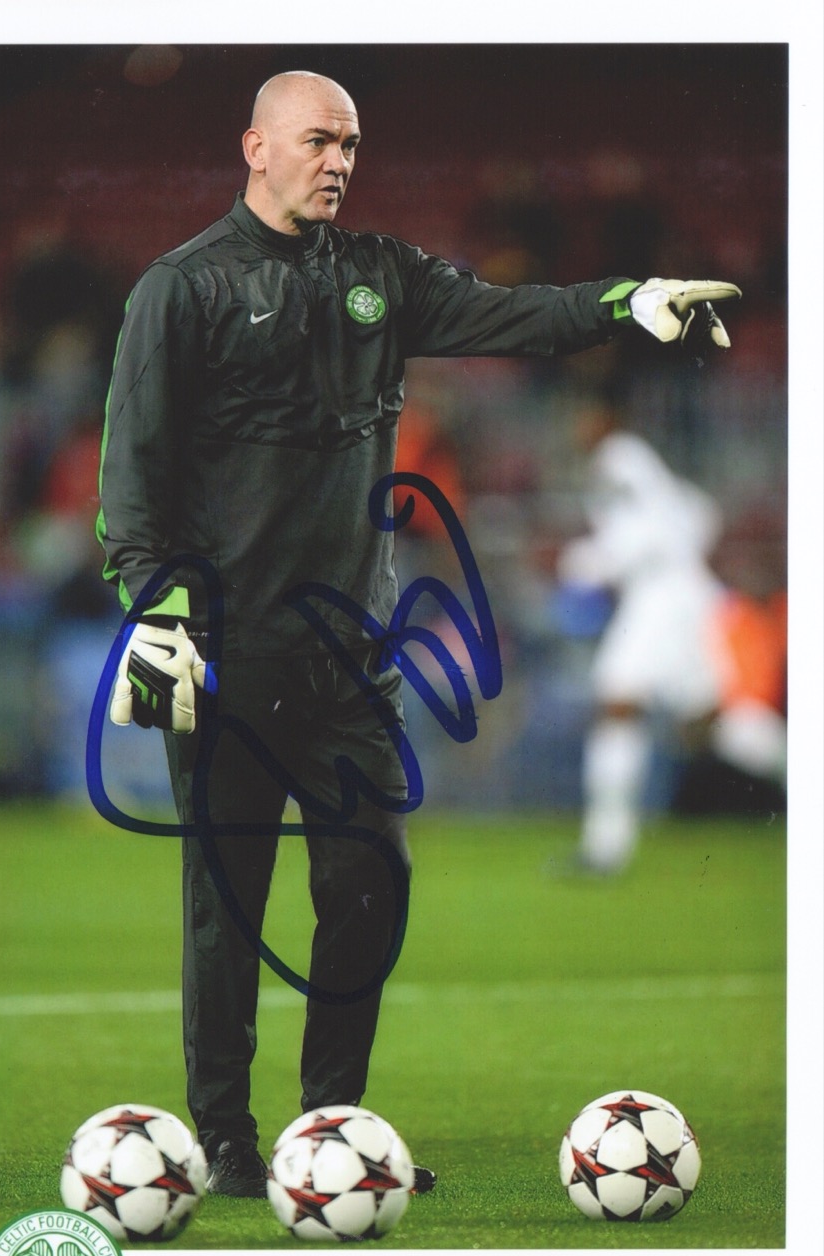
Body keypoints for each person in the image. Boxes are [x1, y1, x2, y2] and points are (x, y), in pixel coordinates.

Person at [96, 69, 740, 1195]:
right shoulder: (181, 288)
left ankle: (331, 1126)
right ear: (255, 146)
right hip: (226, 653)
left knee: (370, 884)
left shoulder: (380, 275)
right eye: (317, 140)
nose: (338, 161)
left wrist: (620, 302)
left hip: (350, 660)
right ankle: (226, 1136)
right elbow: (132, 462)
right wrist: (154, 604)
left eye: (350, 144)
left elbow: (509, 315)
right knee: (225, 906)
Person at [557, 392, 786, 873]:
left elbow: (642, 535)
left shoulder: (617, 457)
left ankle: (605, 847)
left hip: (659, 596)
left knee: (618, 701)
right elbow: (700, 512)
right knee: (713, 720)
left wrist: (594, 561)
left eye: (582, 416)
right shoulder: (645, 465)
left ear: (606, 418)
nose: (576, 426)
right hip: (684, 594)